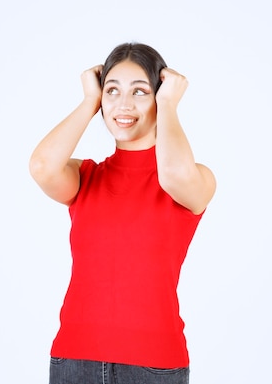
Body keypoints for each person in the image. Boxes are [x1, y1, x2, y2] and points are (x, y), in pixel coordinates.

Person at [29, 42, 216, 384]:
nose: (123, 104)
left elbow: (173, 174)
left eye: (140, 91)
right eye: (112, 91)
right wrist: (89, 101)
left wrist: (169, 104)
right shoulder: (86, 178)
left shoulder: (193, 177)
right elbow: (42, 166)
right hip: (74, 360)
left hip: (154, 365)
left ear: (159, 98)